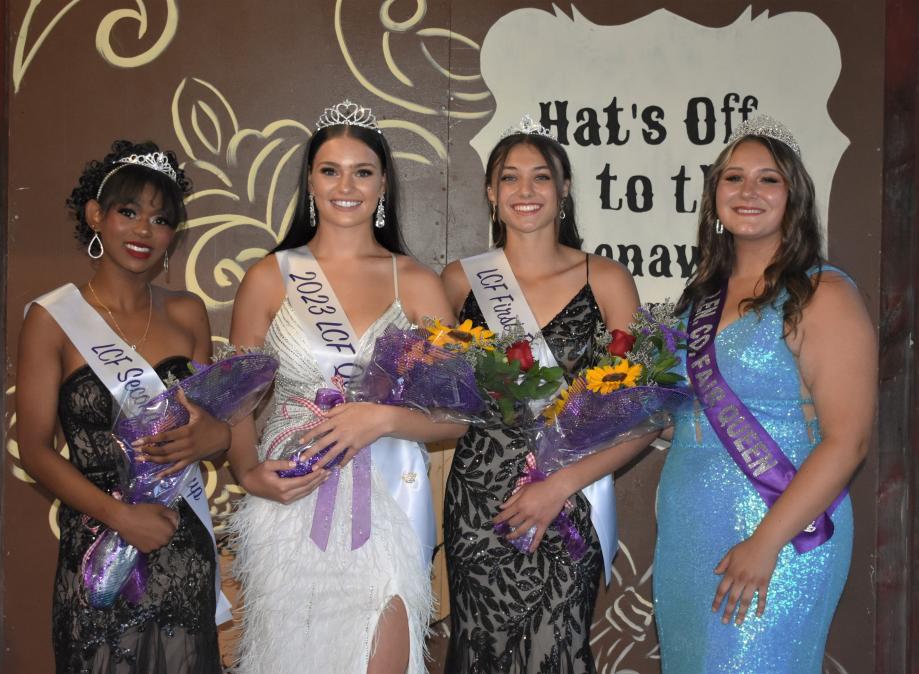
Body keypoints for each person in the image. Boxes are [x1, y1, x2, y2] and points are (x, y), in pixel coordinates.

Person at [226, 100, 465, 674]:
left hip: (389, 499)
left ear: (383, 183)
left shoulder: (416, 281)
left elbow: (459, 415)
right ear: (310, 181)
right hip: (292, 504)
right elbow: (235, 399)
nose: (346, 186)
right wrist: (246, 472)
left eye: (362, 171)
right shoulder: (270, 276)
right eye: (330, 170)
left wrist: (380, 418)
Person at [652, 115, 876, 672]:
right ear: (714, 197)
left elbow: (848, 442)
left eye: (768, 179)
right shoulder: (698, 298)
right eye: (733, 178)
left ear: (793, 196)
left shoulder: (822, 292)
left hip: (779, 528)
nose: (748, 191)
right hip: (687, 527)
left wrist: (765, 543)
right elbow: (684, 416)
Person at [440, 116, 656, 673]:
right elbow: (444, 402)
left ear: (563, 191)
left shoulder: (605, 278)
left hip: (567, 497)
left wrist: (559, 485)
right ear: (491, 193)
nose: (525, 191)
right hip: (479, 504)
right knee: (481, 651)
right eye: (510, 178)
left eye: (541, 177)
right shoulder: (460, 280)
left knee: (554, 651)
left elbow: (644, 416)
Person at [16, 140, 232, 674]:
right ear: (96, 215)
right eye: (128, 212)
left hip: (180, 542)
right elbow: (35, 449)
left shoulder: (188, 314)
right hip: (99, 552)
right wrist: (118, 516)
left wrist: (216, 438)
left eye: (160, 220)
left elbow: (216, 429)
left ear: (173, 235)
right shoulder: (54, 318)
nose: (143, 231)